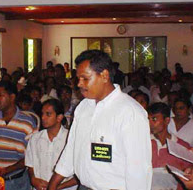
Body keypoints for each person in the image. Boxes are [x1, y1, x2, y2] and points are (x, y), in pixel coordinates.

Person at [48, 50, 152, 190]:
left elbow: (139, 169)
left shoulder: (130, 112)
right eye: (78, 78)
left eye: (85, 78)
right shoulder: (84, 106)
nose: (79, 84)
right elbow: (72, 148)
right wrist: (53, 184)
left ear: (104, 76)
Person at [0, 81, 37, 190]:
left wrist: (7, 170)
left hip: (17, 180)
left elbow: (31, 156)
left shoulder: (27, 123)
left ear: (12, 97)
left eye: (0, 95)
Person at [25, 99, 78, 190]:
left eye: (48, 114)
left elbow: (79, 173)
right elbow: (30, 164)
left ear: (59, 117)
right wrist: (33, 179)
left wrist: (56, 187)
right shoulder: (35, 138)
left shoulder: (71, 139)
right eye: (42, 114)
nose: (43, 117)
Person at [147, 103, 191, 190]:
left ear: (167, 121)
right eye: (148, 119)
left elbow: (187, 179)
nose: (150, 123)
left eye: (154, 119)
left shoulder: (181, 146)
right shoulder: (143, 143)